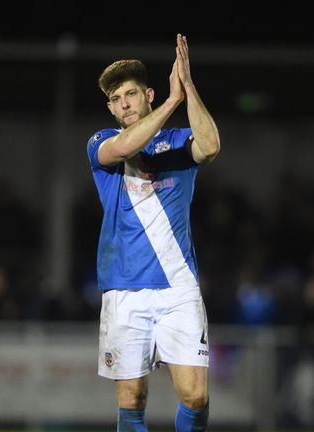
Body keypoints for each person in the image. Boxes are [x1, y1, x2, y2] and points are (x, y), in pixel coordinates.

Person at [86, 34, 220, 432]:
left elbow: (210, 146)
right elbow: (126, 147)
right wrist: (171, 103)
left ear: (147, 94)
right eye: (115, 99)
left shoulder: (177, 143)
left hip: (178, 286)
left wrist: (188, 88)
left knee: (195, 396)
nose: (123, 104)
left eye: (129, 94)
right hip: (124, 288)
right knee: (132, 399)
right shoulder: (102, 143)